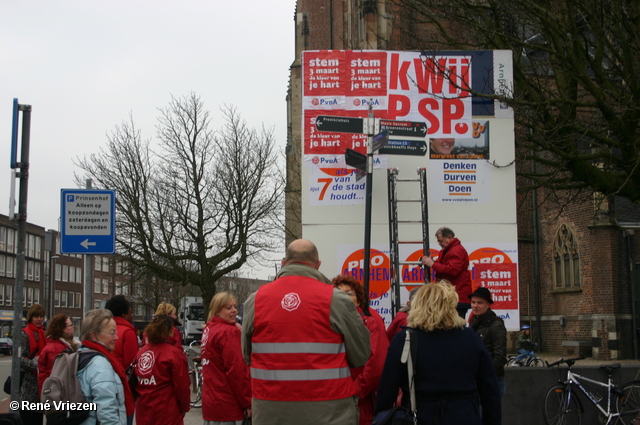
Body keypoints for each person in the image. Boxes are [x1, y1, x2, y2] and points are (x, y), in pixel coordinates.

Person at [241, 239, 371, 425]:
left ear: (284, 263)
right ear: (318, 265)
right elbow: (361, 355)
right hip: (330, 412)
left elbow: (247, 356)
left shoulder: (256, 300)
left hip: (270, 412)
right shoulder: (336, 299)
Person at [375, 281, 501, 425]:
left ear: (418, 305)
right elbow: (490, 390)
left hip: (418, 416)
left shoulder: (405, 339)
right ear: (451, 306)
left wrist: (380, 417)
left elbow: (387, 389)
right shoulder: (470, 337)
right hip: (464, 415)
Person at [333, 275, 389, 425]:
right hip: (334, 399)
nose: (344, 297)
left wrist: (354, 392)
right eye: (339, 293)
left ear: (358, 299)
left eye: (349, 293)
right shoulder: (330, 322)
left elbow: (375, 366)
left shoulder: (370, 322)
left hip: (358, 400)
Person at [201, 292, 251, 425]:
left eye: (235, 306)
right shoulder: (228, 332)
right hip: (229, 405)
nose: (234, 310)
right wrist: (248, 402)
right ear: (217, 310)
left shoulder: (209, 329)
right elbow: (237, 371)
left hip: (211, 403)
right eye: (228, 308)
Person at [77, 309, 134, 425]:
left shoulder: (80, 355)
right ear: (94, 335)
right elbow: (107, 411)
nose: (116, 337)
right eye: (112, 332)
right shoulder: (100, 366)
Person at [135, 315, 190, 425]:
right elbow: (182, 385)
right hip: (167, 410)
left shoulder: (142, 352)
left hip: (144, 410)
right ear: (170, 331)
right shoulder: (174, 354)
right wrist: (184, 407)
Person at [421, 227, 472, 318]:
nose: (439, 243)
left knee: (455, 325)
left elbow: (452, 270)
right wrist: (434, 263)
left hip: (456, 296)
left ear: (448, 237)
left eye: (440, 240)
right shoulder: (452, 250)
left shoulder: (455, 251)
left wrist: (432, 264)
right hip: (455, 295)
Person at [468, 287, 507, 397]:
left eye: (480, 303)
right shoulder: (473, 322)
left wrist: (487, 376)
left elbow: (500, 356)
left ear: (488, 304)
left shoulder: (496, 325)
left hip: (491, 380)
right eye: (473, 302)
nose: (475, 306)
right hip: (476, 378)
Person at [105, 295, 139, 424]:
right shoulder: (128, 332)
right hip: (123, 385)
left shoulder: (104, 330)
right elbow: (132, 363)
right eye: (131, 313)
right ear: (124, 315)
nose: (132, 316)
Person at [37, 313, 79, 394]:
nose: (73, 326)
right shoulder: (56, 349)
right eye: (70, 325)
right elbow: (57, 375)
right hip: (56, 395)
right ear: (63, 329)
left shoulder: (61, 345)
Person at [20, 303, 47, 425]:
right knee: (27, 418)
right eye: (36, 316)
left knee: (38, 419)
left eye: (41, 316)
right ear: (31, 317)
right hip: (28, 381)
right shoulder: (24, 334)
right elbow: (19, 358)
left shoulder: (44, 333)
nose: (39, 319)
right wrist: (36, 366)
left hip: (40, 382)